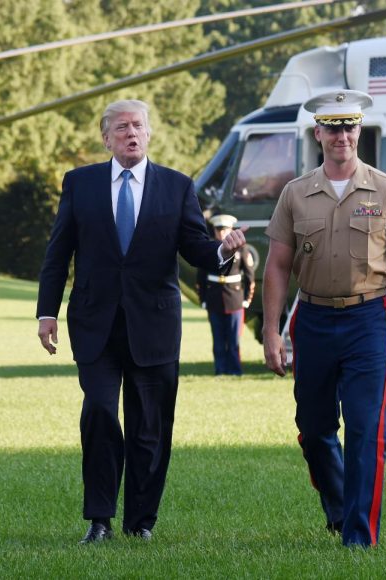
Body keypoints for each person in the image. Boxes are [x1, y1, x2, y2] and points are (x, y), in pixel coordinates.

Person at [36, 99, 247, 544]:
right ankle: (99, 519)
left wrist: (224, 251)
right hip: (95, 324)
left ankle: (141, 523)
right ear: (106, 137)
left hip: (154, 325)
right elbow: (58, 253)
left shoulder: (176, 186)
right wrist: (46, 312)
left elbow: (195, 248)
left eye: (138, 126)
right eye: (121, 127)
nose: (131, 133)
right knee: (98, 411)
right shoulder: (81, 184)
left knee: (150, 427)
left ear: (149, 134)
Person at [261, 90, 386, 548]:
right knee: (314, 431)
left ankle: (359, 535)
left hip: (368, 319)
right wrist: (271, 330)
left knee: (365, 428)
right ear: (317, 133)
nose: (341, 135)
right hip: (312, 320)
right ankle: (339, 507)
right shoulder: (295, 194)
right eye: (331, 127)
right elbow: (276, 265)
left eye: (349, 126)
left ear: (359, 131)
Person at [195, 214, 256, 375]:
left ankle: (235, 369)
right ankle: (220, 370)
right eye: (218, 230)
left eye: (225, 230)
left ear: (231, 230)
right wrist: (203, 299)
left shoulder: (242, 249)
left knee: (234, 339)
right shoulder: (209, 249)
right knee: (218, 339)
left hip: (235, 300)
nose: (222, 234)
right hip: (214, 300)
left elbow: (249, 276)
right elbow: (200, 278)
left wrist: (246, 300)